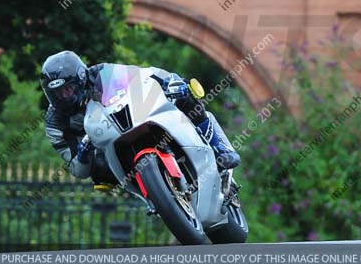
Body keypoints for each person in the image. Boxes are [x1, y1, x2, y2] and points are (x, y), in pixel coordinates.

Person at [40, 50, 240, 182]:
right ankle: (152, 195)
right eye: (59, 93)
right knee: (99, 174)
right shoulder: (55, 123)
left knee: (186, 96)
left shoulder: (101, 74)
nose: (66, 96)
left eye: (69, 88)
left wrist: (169, 81)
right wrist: (83, 154)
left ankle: (219, 146)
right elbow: (77, 170)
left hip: (134, 118)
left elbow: (143, 75)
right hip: (106, 148)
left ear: (81, 79)